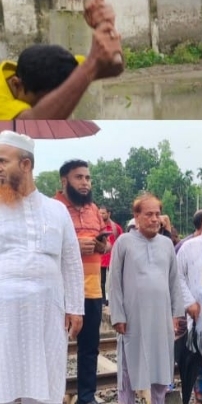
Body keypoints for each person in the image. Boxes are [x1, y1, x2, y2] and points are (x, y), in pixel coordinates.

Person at [0, 131, 84, 404]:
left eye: (3, 161)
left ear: (25, 165)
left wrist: (75, 307)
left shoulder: (56, 210)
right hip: (5, 315)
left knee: (45, 382)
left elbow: (71, 261)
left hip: (47, 313)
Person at [109, 194, 184, 404]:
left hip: (161, 316)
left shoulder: (166, 244)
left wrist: (176, 313)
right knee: (128, 369)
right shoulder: (124, 242)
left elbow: (174, 280)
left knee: (161, 365)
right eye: (149, 214)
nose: (154, 219)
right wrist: (118, 315)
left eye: (157, 214)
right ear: (137, 216)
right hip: (133, 316)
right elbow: (114, 281)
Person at [0, 0, 122, 120]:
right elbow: (34, 124)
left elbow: (113, 65)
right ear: (16, 84)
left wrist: (107, 26)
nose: (54, 106)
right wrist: (90, 68)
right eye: (40, 103)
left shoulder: (60, 69)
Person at [54, 160, 106, 404]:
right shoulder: (53, 208)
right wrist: (75, 245)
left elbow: (103, 244)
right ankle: (54, 394)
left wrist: (100, 244)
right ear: (64, 181)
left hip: (93, 289)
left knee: (89, 349)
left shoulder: (94, 208)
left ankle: (87, 397)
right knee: (55, 347)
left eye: (87, 177)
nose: (85, 183)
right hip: (62, 291)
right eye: (79, 177)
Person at [175, 223, 202, 404]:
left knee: (201, 357)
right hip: (191, 315)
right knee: (192, 358)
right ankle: (194, 396)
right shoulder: (186, 246)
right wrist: (189, 302)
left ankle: (201, 396)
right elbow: (178, 276)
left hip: (201, 307)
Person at [98, 205, 122, 306]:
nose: (101, 215)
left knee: (114, 281)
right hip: (101, 259)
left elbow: (121, 241)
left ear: (108, 214)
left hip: (113, 258)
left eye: (103, 213)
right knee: (101, 281)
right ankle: (102, 301)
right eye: (100, 213)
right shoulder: (97, 227)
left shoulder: (115, 228)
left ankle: (114, 300)